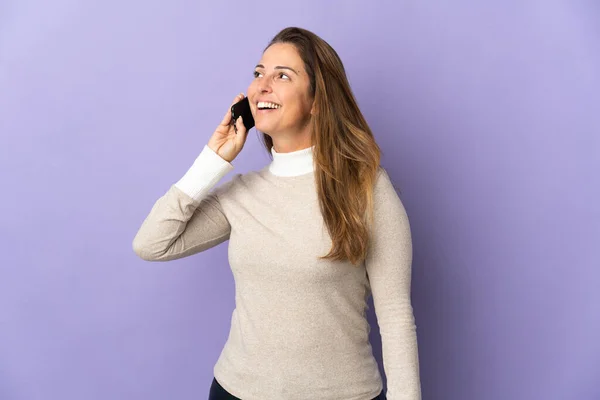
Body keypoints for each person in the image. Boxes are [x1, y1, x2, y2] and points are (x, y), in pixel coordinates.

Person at [133, 26, 421, 400]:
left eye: (282, 75)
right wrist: (212, 161)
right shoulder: (241, 195)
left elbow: (396, 318)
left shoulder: (367, 189)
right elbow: (151, 244)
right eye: (258, 74)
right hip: (235, 391)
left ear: (318, 101)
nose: (261, 86)